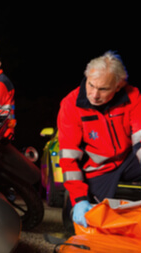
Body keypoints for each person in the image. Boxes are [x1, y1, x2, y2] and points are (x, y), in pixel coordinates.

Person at [57, 51, 141, 228]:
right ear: (86, 78)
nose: (94, 95)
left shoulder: (132, 96)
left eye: (103, 89)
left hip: (128, 159)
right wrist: (79, 199)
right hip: (98, 169)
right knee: (89, 220)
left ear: (118, 86)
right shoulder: (70, 104)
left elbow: (140, 138)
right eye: (91, 85)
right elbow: (69, 158)